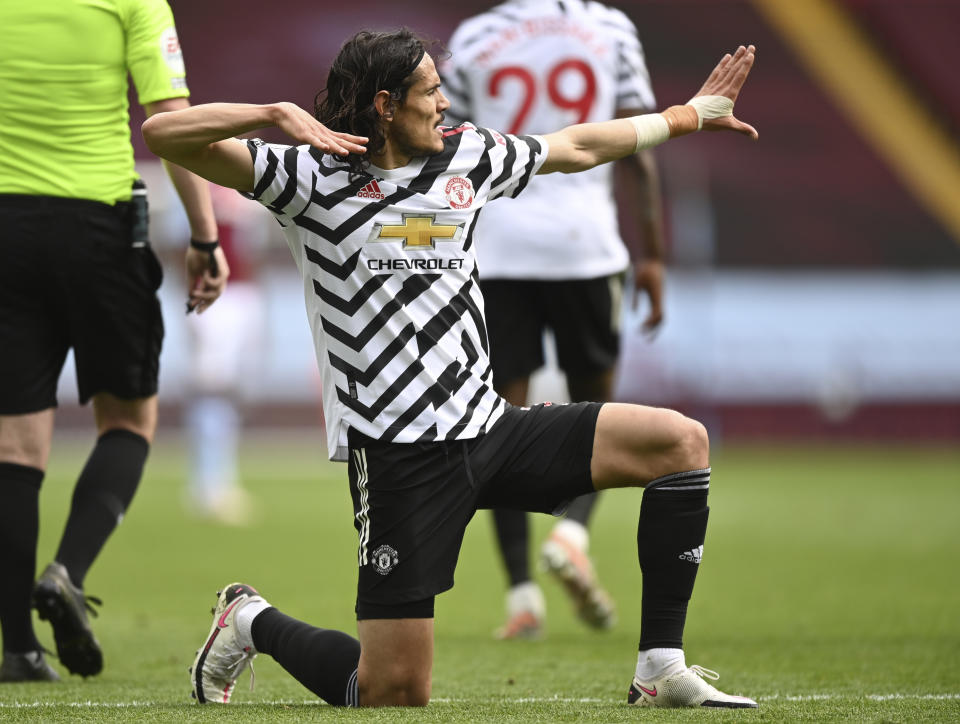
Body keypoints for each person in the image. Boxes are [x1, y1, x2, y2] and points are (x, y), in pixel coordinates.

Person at [142, 29, 759, 708]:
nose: (443, 103)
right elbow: (168, 134)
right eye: (430, 90)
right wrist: (271, 114)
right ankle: (250, 620)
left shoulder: (469, 156)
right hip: (399, 458)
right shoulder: (306, 177)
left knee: (680, 444)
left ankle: (660, 667)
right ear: (384, 104)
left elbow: (576, 146)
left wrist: (687, 116)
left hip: (491, 429)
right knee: (393, 692)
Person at [0, 0, 226, 682]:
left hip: (6, 229)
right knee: (129, 420)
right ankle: (67, 570)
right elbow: (169, 121)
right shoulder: (132, 2)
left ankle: (19, 649)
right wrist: (205, 234)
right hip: (98, 229)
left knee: (14, 446)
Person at [441, 0, 669, 639]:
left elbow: (445, 148)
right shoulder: (609, 27)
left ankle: (521, 597)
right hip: (586, 245)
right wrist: (652, 252)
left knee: (495, 425)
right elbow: (642, 141)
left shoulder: (476, 36)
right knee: (597, 408)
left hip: (500, 249)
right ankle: (571, 535)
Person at [182, 184, 268, 526]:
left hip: (245, 297)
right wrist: (190, 300)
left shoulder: (244, 180)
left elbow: (255, 249)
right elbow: (180, 246)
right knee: (211, 388)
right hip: (214, 299)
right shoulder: (195, 183)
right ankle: (208, 483)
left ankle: (222, 479)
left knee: (233, 391)